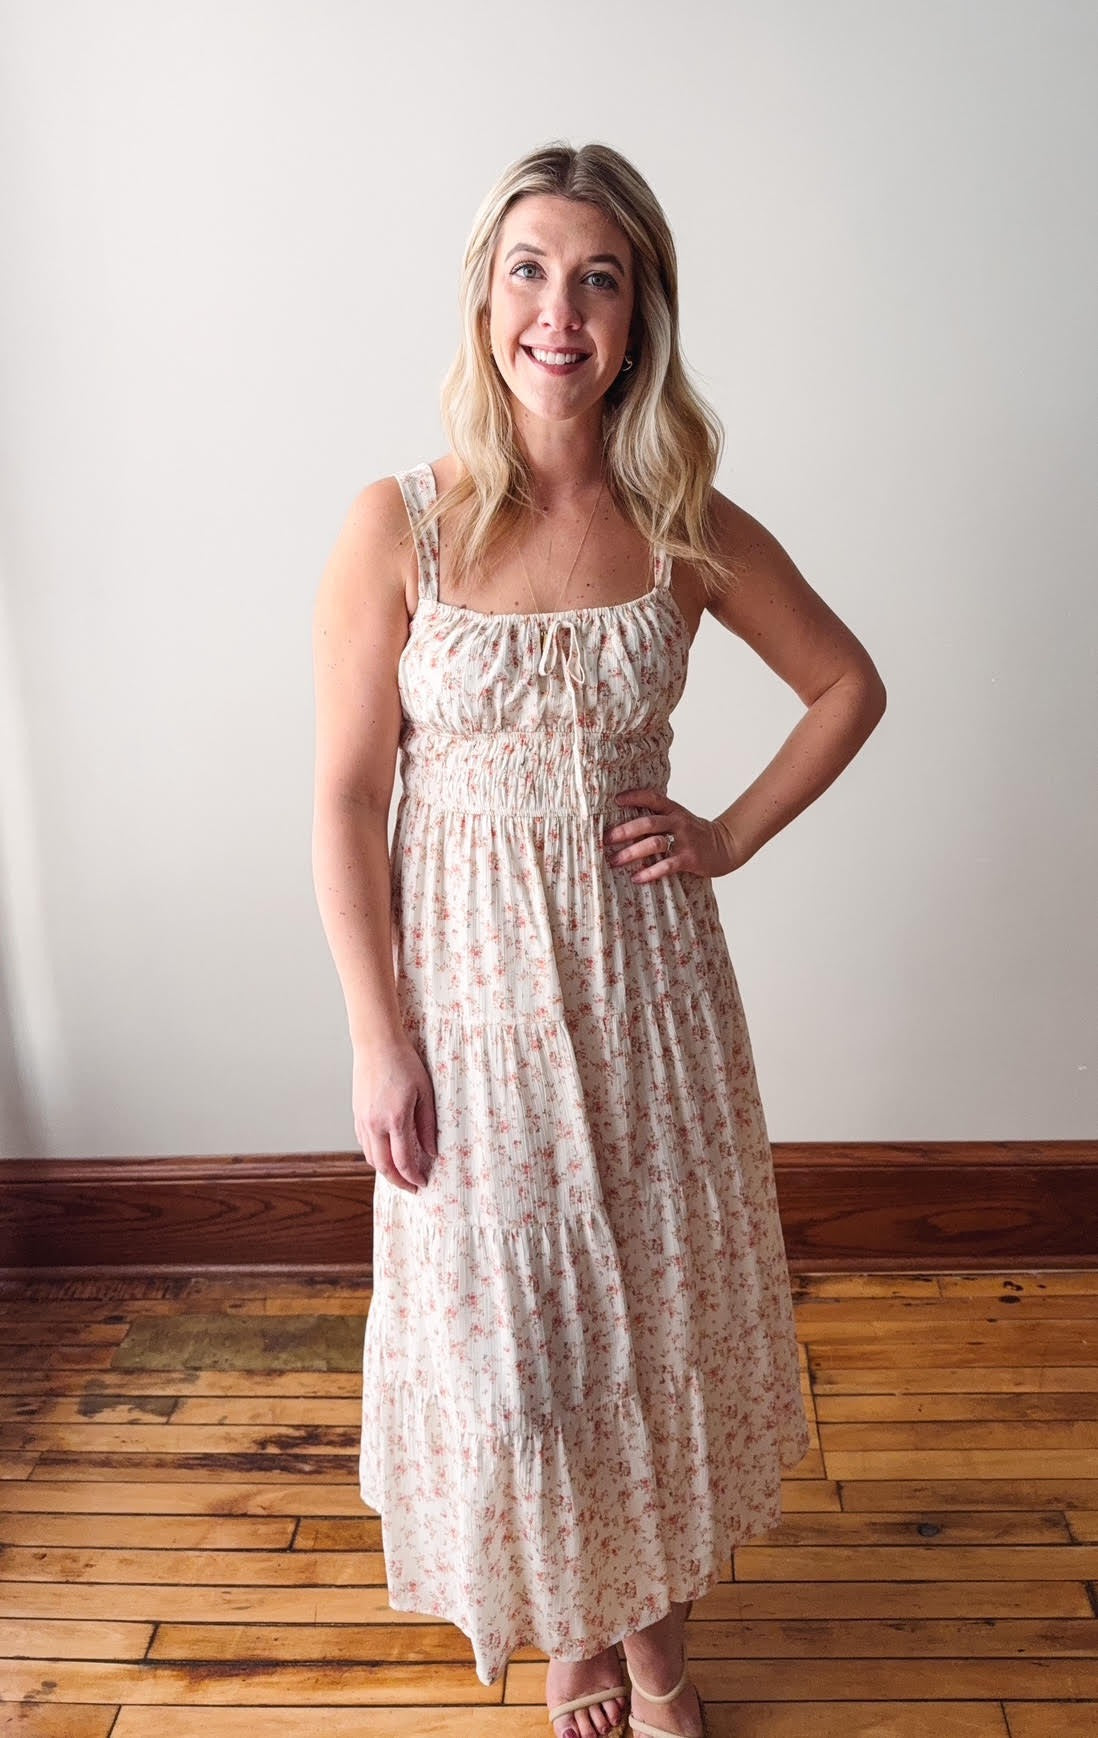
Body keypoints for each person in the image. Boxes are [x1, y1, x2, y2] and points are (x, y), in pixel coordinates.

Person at [311, 140, 886, 1738]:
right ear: (485, 297)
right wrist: (377, 1030)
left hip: (645, 998)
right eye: (529, 269)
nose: (557, 311)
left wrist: (724, 834)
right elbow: (347, 799)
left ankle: (650, 1646)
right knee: (514, 1338)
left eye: (598, 278)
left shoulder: (680, 520)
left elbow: (847, 685)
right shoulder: (396, 528)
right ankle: (567, 1619)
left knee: (650, 1318)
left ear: (638, 319)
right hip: (470, 1008)